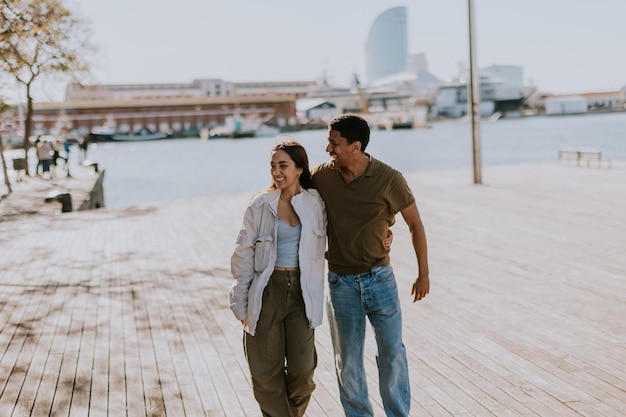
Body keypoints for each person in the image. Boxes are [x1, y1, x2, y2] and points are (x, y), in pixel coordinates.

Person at [311, 113, 430, 417]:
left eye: (334, 144)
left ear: (356, 146)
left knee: (392, 355)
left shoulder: (390, 178)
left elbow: (415, 225)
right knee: (347, 361)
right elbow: (291, 190)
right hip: (341, 285)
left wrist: (423, 273)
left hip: (381, 280)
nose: (328, 150)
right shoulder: (323, 177)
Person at [229, 139, 327, 417]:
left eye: (283, 165)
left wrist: (386, 229)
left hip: (302, 292)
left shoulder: (315, 203)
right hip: (267, 290)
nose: (276, 172)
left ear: (299, 169)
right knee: (265, 373)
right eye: (273, 166)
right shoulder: (260, 205)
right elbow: (243, 254)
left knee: (303, 371)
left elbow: (347, 221)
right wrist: (241, 301)